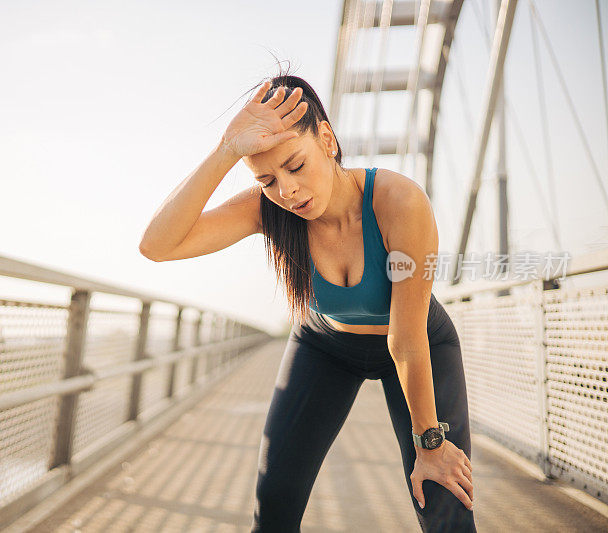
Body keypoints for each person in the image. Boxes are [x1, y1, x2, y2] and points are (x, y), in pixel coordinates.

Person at [138, 68, 476, 533]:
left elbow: (406, 337)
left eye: (295, 166)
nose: (287, 191)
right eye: (267, 180)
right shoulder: (268, 211)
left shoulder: (400, 203)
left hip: (418, 343)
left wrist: (431, 443)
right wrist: (224, 153)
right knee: (274, 501)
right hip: (324, 346)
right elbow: (157, 246)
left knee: (443, 501)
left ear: (327, 139)